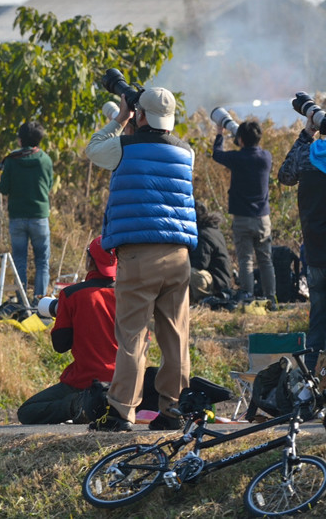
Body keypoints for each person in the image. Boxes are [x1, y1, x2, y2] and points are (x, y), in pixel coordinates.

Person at [85, 87, 196, 432]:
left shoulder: (123, 147)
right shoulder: (186, 152)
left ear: (140, 114)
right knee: (175, 335)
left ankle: (121, 411)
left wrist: (120, 118)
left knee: (133, 336)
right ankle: (173, 409)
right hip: (178, 255)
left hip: (137, 254)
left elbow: (93, 150)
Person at [17, 237, 117, 425]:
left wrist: (65, 313)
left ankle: (78, 406)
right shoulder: (132, 294)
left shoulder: (72, 294)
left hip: (86, 381)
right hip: (126, 382)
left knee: (27, 412)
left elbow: (60, 345)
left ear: (89, 262)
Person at [278, 112, 326, 370]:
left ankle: (312, 384)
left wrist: (305, 136)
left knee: (317, 322)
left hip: (317, 252)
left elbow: (285, 176)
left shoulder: (306, 155)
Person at [212, 120, 276, 301]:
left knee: (245, 260)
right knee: (266, 260)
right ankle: (271, 298)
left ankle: (248, 297)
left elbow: (217, 154)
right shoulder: (266, 157)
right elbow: (253, 149)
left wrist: (220, 133)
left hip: (242, 219)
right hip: (263, 218)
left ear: (240, 139)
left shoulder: (237, 158)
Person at [0, 121, 54, 300]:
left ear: (20, 140)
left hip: (17, 217)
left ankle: (22, 301)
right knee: (42, 262)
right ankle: (39, 303)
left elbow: (3, 189)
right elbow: (49, 185)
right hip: (39, 217)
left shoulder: (12, 161)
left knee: (19, 261)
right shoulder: (45, 159)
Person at [189, 201, 233, 303]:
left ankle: (197, 301)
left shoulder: (204, 234)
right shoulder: (213, 230)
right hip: (222, 281)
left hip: (216, 283)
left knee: (187, 272)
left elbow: (200, 263)